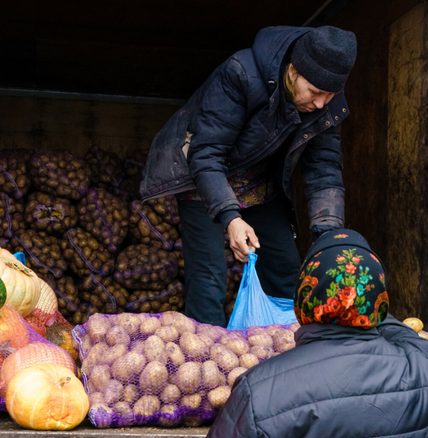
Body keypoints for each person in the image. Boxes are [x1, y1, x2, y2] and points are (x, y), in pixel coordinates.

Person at [186, 229, 428, 438]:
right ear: (381, 301)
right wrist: (361, 299)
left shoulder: (259, 390)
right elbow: (398, 329)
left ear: (301, 301)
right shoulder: (419, 364)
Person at [140, 25, 357, 327]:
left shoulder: (326, 103)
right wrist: (231, 218)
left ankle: (293, 354)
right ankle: (209, 362)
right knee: (209, 280)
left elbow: (325, 170)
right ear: (293, 72)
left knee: (286, 270)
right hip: (203, 177)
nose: (321, 103)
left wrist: (330, 235)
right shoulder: (240, 73)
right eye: (315, 93)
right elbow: (206, 154)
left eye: (329, 95)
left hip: (257, 180)